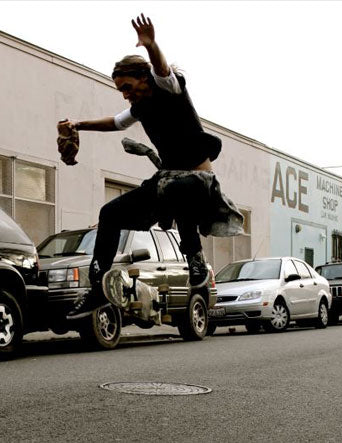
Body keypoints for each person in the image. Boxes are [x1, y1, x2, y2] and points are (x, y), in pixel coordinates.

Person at [63, 13, 243, 320]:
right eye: (121, 90)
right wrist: (78, 124)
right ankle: (98, 289)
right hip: (166, 181)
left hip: (198, 183)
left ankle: (195, 258)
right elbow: (115, 123)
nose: (126, 93)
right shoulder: (140, 106)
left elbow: (162, 69)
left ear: (143, 78)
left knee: (175, 190)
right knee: (110, 213)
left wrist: (151, 44)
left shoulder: (168, 89)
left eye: (129, 86)